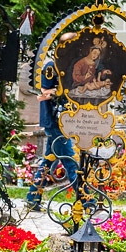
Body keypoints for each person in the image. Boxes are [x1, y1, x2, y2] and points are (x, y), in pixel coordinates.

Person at [26, 58, 78, 211]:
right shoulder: (51, 66)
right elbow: (44, 92)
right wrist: (62, 92)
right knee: (70, 161)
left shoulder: (70, 65)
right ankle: (87, 201)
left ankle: (32, 198)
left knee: (48, 161)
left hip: (63, 121)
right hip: (54, 121)